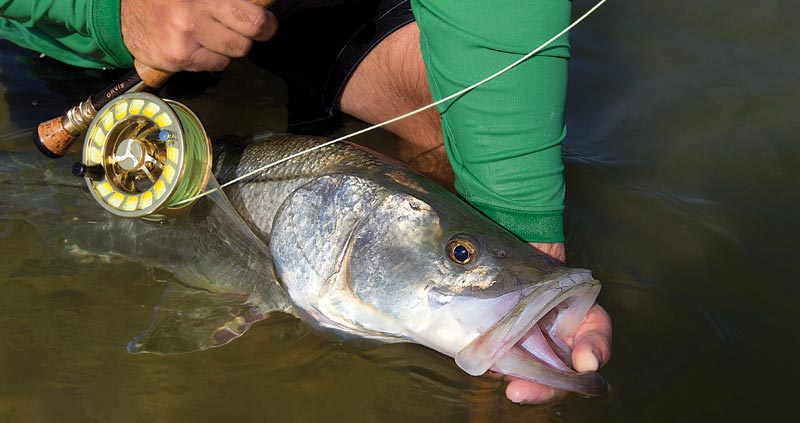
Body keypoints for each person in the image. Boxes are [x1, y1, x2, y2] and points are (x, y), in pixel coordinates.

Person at [0, 0, 612, 404]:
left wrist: (523, 219)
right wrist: (113, 12)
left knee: (448, 115)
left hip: (298, 9)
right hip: (81, 33)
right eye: (459, 253)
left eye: (459, 253)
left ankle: (492, 406)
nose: (462, 255)